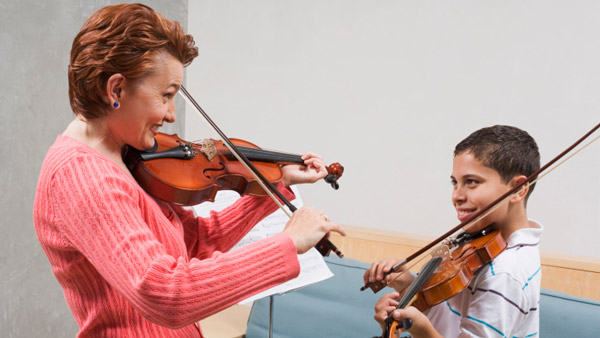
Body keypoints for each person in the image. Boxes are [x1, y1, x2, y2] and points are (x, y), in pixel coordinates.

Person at [33, 4, 344, 337]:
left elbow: (193, 242)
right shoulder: (81, 176)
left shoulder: (124, 156)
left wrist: (277, 184)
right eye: (166, 95)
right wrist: (286, 244)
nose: (170, 115)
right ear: (116, 90)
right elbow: (167, 294)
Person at [364, 125, 542, 338]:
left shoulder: (505, 272)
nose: (457, 195)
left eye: (471, 182)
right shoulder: (483, 243)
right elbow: (450, 319)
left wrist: (420, 328)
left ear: (519, 189)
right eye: (455, 183)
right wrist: (408, 285)